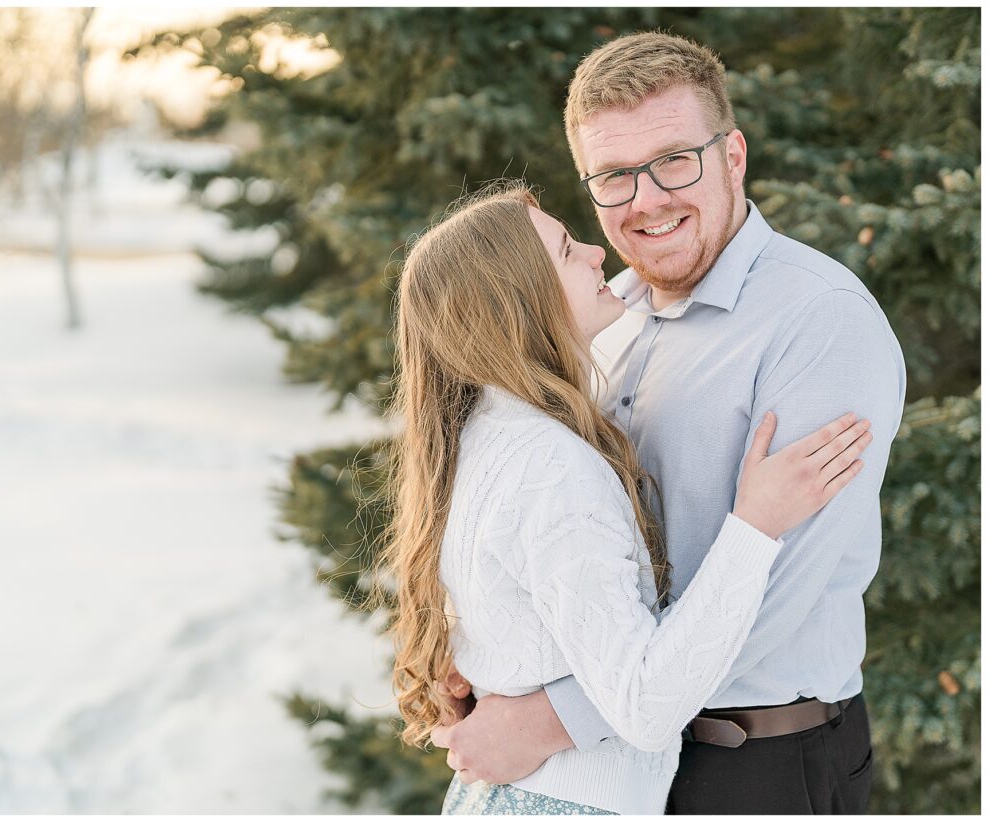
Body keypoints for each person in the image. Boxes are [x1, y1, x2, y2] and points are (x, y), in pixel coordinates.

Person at [429, 32, 906, 815]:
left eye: (674, 161)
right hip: (616, 771)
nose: (647, 200)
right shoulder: (599, 315)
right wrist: (494, 660)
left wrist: (552, 720)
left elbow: (779, 587)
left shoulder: (821, 324)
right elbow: (555, 538)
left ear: (733, 156)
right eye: (615, 177)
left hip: (757, 762)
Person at [384, 183, 874, 815]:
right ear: (519, 304)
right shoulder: (550, 464)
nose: (594, 252)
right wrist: (756, 524)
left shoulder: (486, 431)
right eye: (565, 251)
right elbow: (644, 706)